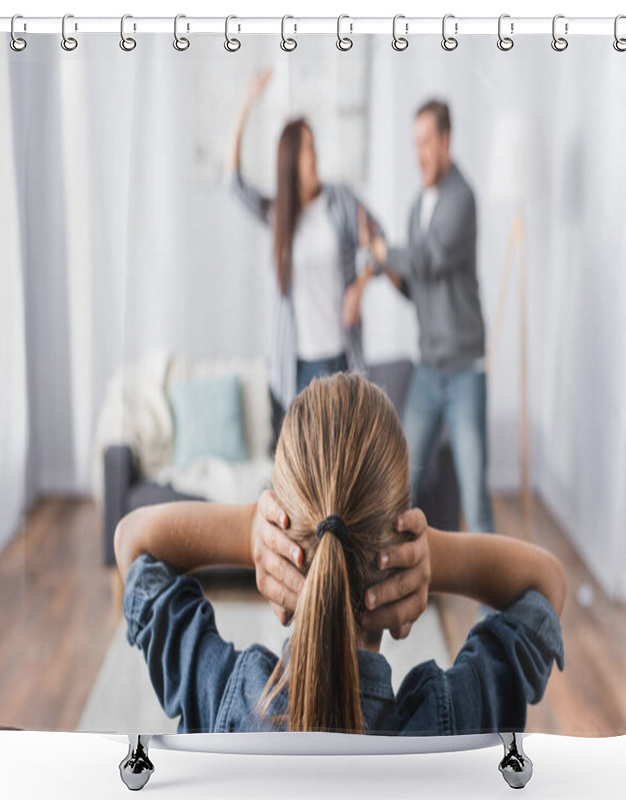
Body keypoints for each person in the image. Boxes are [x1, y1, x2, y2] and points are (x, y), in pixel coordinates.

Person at [115, 373, 566, 735]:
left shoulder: (224, 701)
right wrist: (432, 557)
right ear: (401, 530)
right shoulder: (451, 719)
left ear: (281, 530)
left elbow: (132, 539)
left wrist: (248, 530)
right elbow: (546, 584)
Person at [358, 99, 494, 533]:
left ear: (445, 141)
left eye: (426, 142)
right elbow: (417, 287)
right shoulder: (417, 207)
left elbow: (429, 258)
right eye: (415, 143)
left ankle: (491, 603)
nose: (419, 152)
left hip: (464, 372)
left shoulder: (462, 199)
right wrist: (384, 270)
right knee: (401, 485)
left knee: (474, 494)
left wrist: (383, 252)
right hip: (428, 371)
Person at [227, 68, 381, 442]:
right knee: (304, 469)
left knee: (345, 464)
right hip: (297, 364)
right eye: (309, 148)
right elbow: (234, 183)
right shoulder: (280, 215)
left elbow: (379, 244)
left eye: (315, 147)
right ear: (293, 160)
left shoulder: (341, 201)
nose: (316, 156)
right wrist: (247, 102)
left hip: (342, 358)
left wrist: (359, 287)